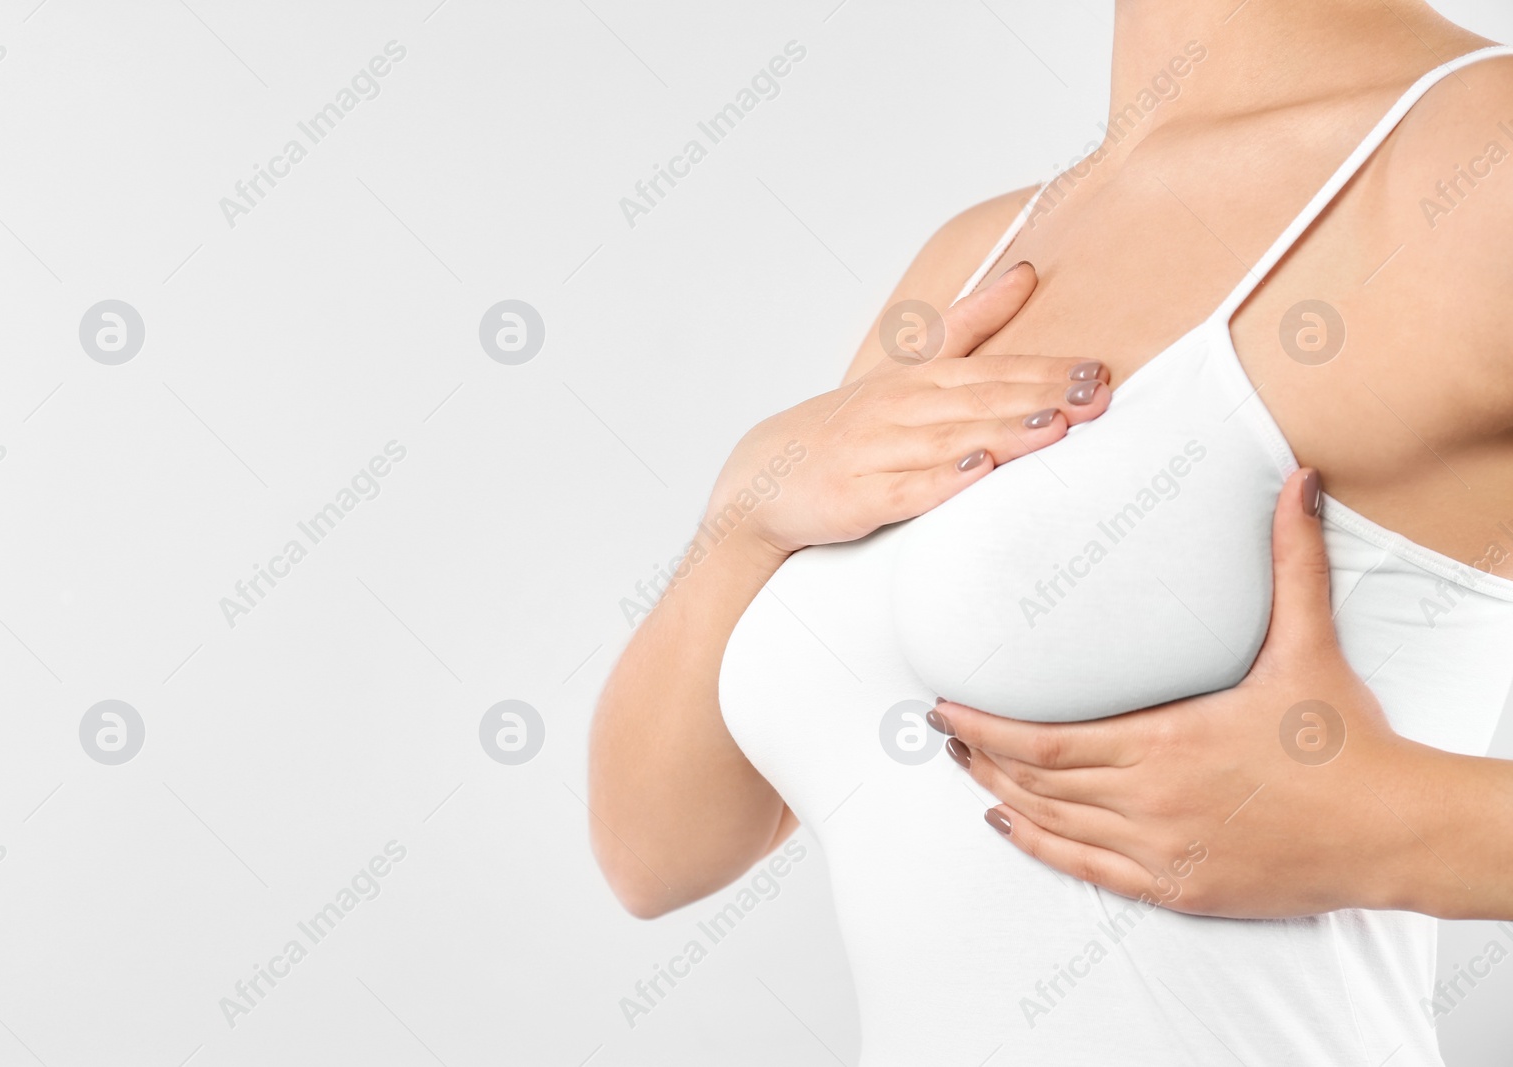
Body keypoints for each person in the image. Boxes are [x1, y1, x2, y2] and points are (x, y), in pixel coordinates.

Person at [589, 1, 1513, 1061]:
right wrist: (743, 514)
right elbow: (656, 856)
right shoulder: (978, 256)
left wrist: (1399, 826)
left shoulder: (1477, 160)